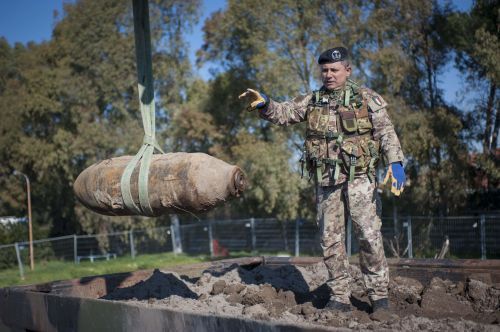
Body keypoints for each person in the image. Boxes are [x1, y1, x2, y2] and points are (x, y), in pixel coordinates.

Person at [239, 47, 406, 313]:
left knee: (369, 235)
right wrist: (266, 104)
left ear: (347, 70)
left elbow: (386, 132)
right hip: (327, 181)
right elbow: (285, 113)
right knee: (330, 241)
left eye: (334, 70)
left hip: (360, 180)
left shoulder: (367, 98)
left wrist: (395, 163)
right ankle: (339, 296)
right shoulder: (312, 100)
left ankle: (379, 297)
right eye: (324, 70)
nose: (328, 75)